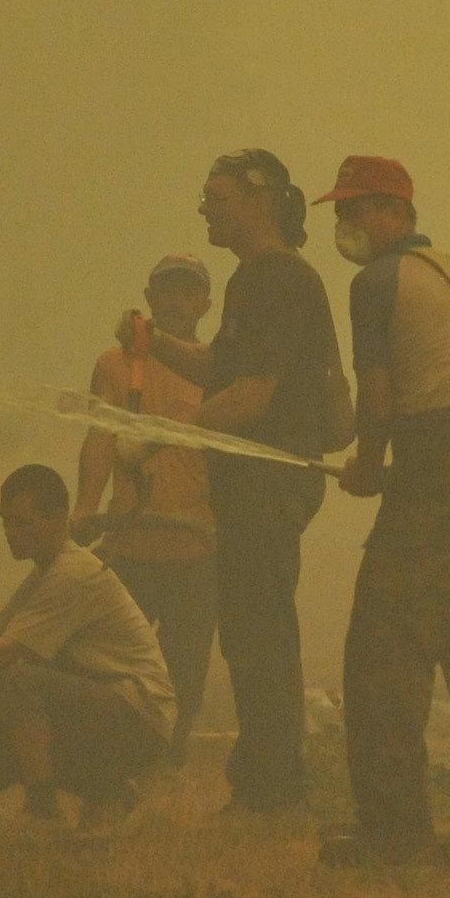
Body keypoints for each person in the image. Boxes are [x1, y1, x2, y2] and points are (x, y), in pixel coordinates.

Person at [321, 156, 450, 865]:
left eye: (352, 210)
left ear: (393, 211)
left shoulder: (376, 282)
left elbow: (377, 395)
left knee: (383, 655)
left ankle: (394, 834)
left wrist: (368, 463)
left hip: (435, 468)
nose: (342, 225)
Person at [123, 150, 346, 817]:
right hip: (252, 483)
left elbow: (252, 395)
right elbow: (222, 367)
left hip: (268, 482)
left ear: (260, 201)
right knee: (250, 630)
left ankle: (271, 789)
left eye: (216, 199)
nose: (204, 210)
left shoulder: (280, 280)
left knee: (258, 632)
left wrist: (162, 435)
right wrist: (156, 343)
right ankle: (265, 781)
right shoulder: (254, 280)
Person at [0, 464, 175, 827]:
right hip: (112, 717)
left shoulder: (72, 574)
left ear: (59, 518)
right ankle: (109, 791)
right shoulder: (51, 571)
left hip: (138, 722)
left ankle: (44, 811)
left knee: (15, 680)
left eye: (23, 522)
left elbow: (4, 653)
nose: (11, 532)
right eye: (6, 522)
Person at [73, 252, 218, 760]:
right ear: (150, 298)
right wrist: (85, 508)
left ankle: (167, 759)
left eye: (188, 292)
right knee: (111, 659)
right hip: (129, 545)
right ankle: (110, 753)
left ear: (205, 304)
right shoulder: (114, 364)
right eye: (168, 291)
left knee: (185, 668)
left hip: (196, 549)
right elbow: (100, 437)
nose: (177, 301)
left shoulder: (215, 370)